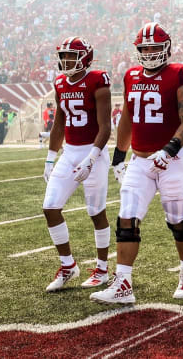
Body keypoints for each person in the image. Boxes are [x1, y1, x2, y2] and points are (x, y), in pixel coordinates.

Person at [90, 23, 183, 304]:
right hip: (139, 160)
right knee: (126, 218)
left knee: (178, 221)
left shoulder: (179, 73)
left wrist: (170, 148)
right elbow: (128, 117)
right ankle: (123, 284)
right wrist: (119, 156)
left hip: (171, 159)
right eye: (145, 48)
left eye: (154, 47)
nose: (150, 53)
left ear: (166, 47)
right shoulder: (131, 75)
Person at [42, 37, 112, 292]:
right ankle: (68, 265)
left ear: (85, 57)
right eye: (64, 56)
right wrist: (50, 158)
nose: (66, 61)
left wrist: (92, 159)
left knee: (96, 212)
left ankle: (103, 269)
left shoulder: (98, 80)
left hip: (94, 151)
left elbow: (106, 126)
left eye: (71, 56)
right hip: (70, 152)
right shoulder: (60, 82)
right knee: (50, 207)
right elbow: (59, 124)